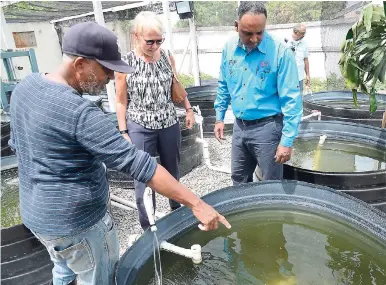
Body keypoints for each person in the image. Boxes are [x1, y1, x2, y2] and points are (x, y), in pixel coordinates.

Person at [9, 22, 230, 285]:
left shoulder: (26, 87)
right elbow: (142, 167)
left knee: (64, 270)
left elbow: (18, 145)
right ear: (80, 64)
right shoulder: (79, 114)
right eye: (105, 69)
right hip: (79, 226)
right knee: (99, 279)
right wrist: (198, 204)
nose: (112, 78)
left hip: (38, 219)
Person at [115, 11, 196, 230]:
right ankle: (148, 226)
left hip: (169, 122)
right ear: (136, 36)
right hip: (140, 125)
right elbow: (121, 101)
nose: (154, 45)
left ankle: (176, 215)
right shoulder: (125, 63)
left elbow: (176, 85)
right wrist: (124, 132)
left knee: (172, 172)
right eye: (149, 41)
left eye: (159, 40)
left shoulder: (167, 55)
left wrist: (188, 109)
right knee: (143, 177)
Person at [214, 1, 303, 184]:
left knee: (270, 184)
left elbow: (292, 100)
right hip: (239, 127)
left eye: (260, 32)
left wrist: (286, 141)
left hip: (268, 129)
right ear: (236, 26)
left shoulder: (280, 52)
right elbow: (224, 83)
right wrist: (219, 117)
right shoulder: (229, 48)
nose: (254, 39)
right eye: (248, 33)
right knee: (239, 179)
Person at [284, 23, 310, 94]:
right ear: (296, 32)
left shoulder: (304, 44)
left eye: (304, 33)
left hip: (299, 76)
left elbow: (305, 60)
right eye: (302, 33)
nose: (304, 35)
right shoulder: (285, 41)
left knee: (299, 96)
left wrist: (307, 75)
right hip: (287, 76)